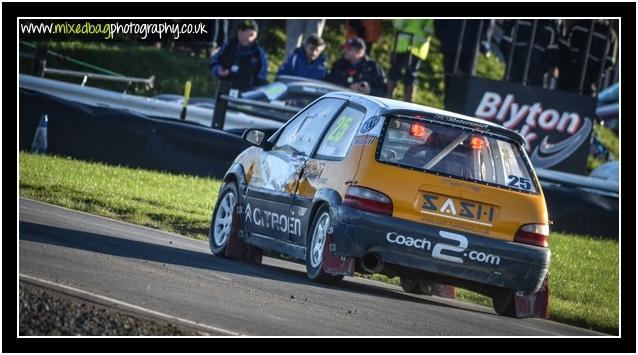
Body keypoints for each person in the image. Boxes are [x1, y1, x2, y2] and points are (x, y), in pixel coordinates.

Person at [209, 20, 268, 91]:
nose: (241, 33)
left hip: (245, 94)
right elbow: (214, 61)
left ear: (253, 35)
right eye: (240, 30)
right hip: (224, 90)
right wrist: (218, 70)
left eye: (244, 30)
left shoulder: (259, 54)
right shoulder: (229, 46)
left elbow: (261, 78)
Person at [499, 19, 560, 88]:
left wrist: (540, 68)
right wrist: (514, 62)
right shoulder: (517, 22)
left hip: (536, 80)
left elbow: (552, 57)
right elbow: (505, 44)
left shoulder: (550, 29)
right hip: (513, 74)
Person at [387, 19, 434, 102]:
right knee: (394, 73)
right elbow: (397, 24)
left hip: (417, 47)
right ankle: (387, 98)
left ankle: (409, 102)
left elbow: (430, 28)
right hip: (401, 45)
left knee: (411, 76)